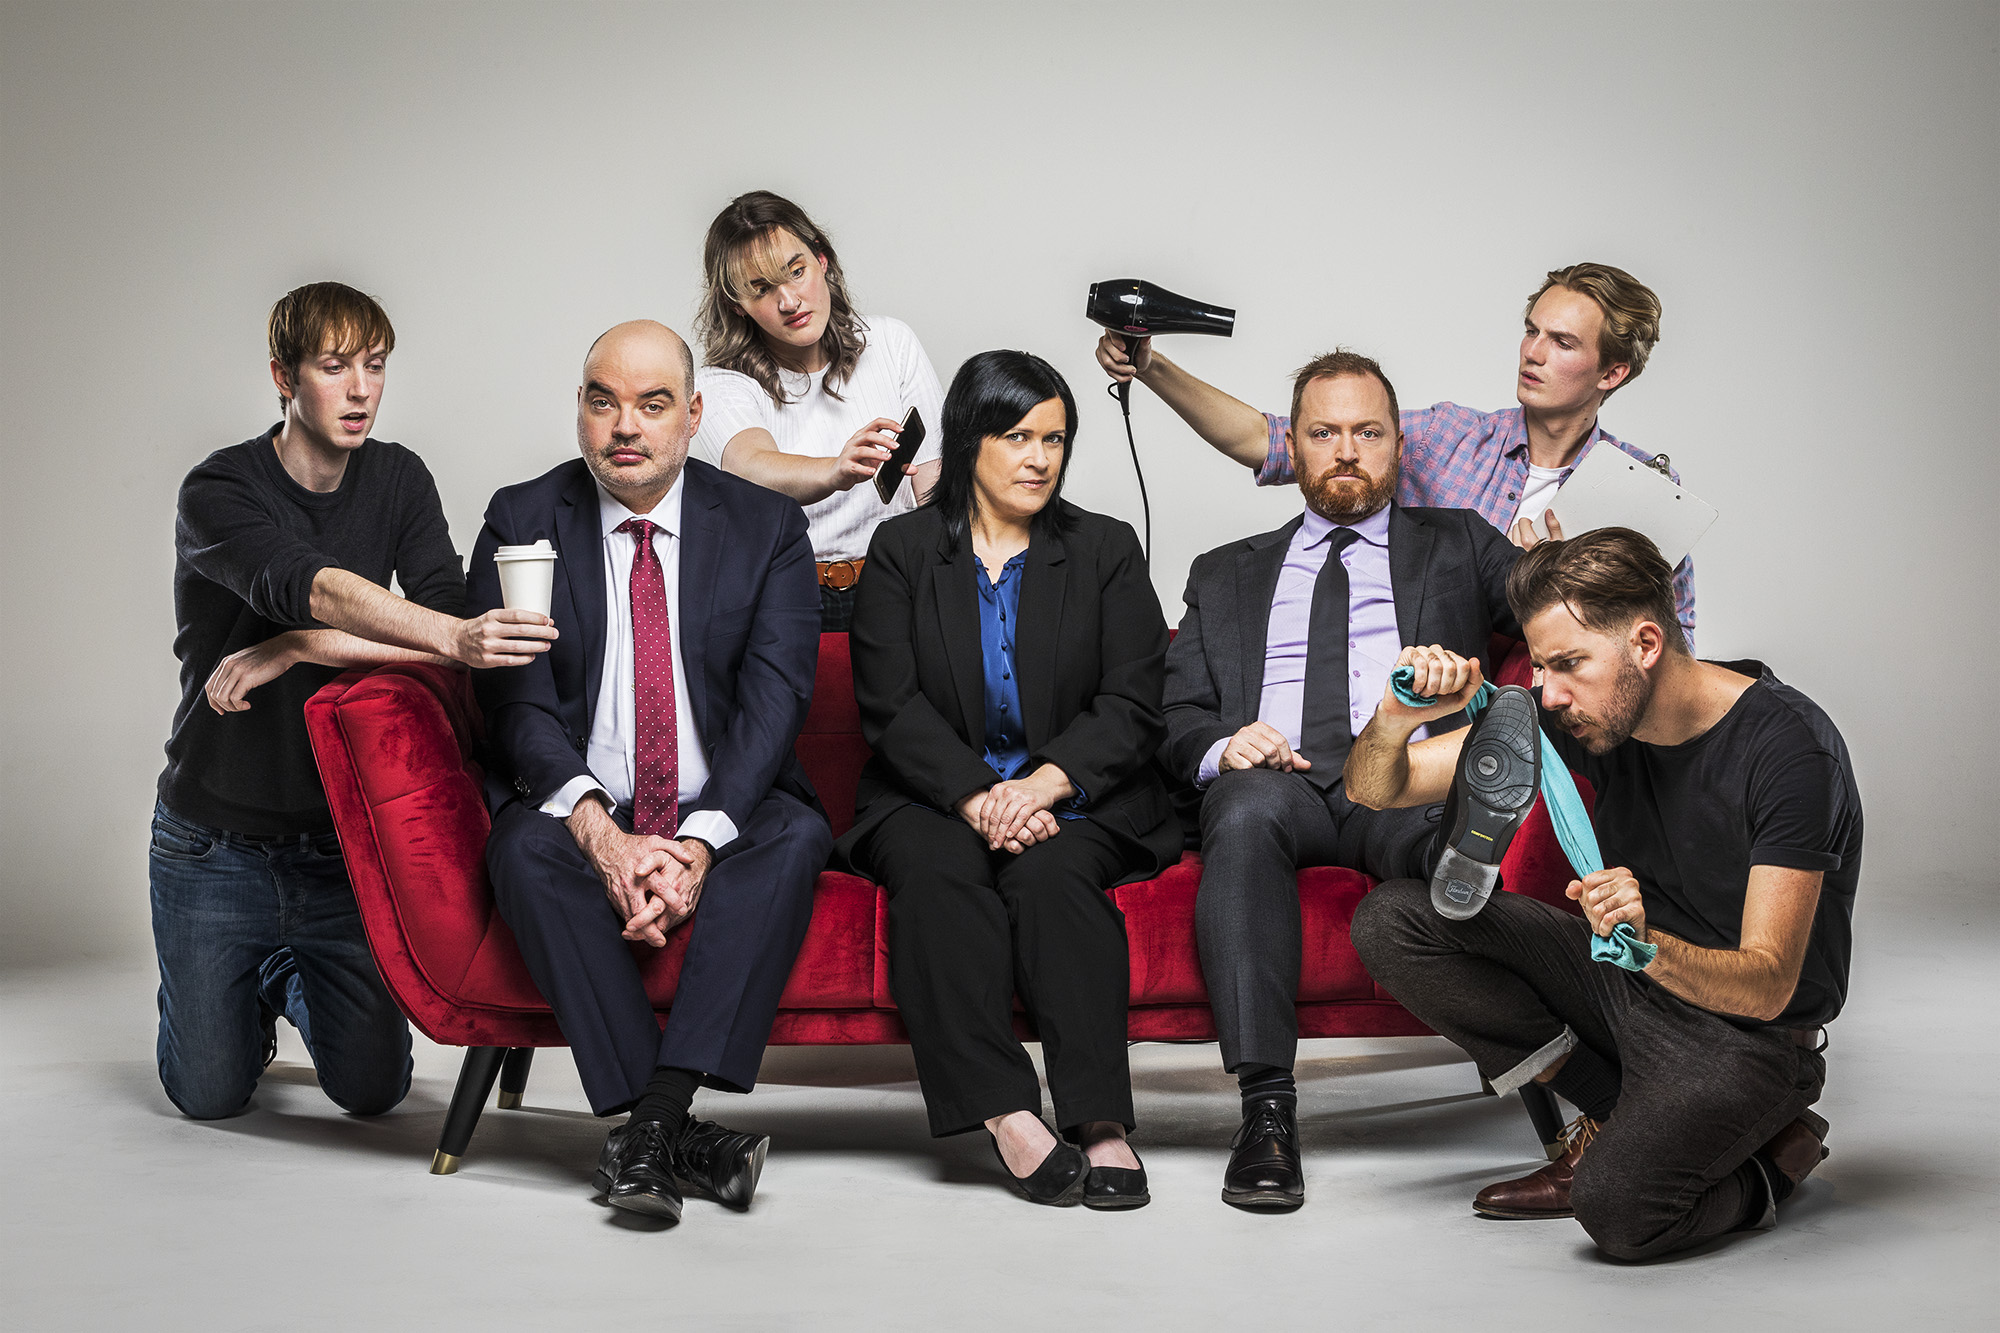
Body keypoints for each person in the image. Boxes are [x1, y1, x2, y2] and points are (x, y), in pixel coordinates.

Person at [1345, 527, 1858, 1260]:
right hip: (1625, 981)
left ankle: (1773, 1165)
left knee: (1617, 1211)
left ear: (1646, 643)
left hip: (1743, 1036)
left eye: (1567, 664)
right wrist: (1398, 716)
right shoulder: (1586, 714)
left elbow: (1770, 984)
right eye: (1543, 665)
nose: (1547, 690)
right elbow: (1376, 788)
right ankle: (1615, 1108)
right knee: (1395, 920)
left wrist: (1646, 943)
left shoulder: (1789, 750)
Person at [155, 281, 558, 1121]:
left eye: (375, 366)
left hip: (339, 842)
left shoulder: (399, 477)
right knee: (207, 1094)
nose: (362, 389)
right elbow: (308, 587)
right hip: (212, 844)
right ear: (283, 375)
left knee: (376, 1088)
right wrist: (428, 635)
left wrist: (298, 647)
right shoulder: (217, 489)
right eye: (335, 367)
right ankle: (241, 993)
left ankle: (285, 974)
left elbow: (441, 617)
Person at [466, 320, 830, 1227]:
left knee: (795, 835)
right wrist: (601, 832)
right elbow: (516, 705)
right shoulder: (522, 517)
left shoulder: (765, 525)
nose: (624, 425)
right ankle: (675, 1132)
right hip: (580, 799)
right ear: (581, 411)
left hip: (722, 801)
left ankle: (651, 1122)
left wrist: (696, 846)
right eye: (603, 400)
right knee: (521, 851)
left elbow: (777, 699)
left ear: (693, 415)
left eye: (652, 404)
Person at [1161, 349, 1524, 1211]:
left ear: (1400, 444)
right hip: (1275, 780)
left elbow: (1556, 618)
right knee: (1241, 813)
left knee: (1436, 836)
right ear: (1294, 444)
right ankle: (1267, 1112)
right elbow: (1176, 717)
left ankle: (1543, 1058)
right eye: (1324, 433)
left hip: (1397, 774)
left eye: (1368, 432)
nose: (1347, 451)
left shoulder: (1460, 541)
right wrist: (1226, 745)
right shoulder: (1225, 569)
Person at [836, 351, 1179, 1209]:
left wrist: (1042, 785)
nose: (1039, 457)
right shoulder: (904, 549)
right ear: (969, 438)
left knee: (1054, 871)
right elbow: (891, 703)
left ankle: (1099, 1120)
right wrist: (982, 793)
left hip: (1074, 794)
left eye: (1055, 438)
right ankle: (1005, 1111)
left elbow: (1133, 699)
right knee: (938, 870)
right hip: (928, 793)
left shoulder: (1103, 548)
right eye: (1017, 434)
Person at [1097, 262, 1697, 640]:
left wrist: (1563, 588)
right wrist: (1151, 367)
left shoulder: (1642, 495)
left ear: (1613, 372)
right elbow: (1267, 440)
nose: (1532, 352)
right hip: (1428, 700)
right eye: (1531, 329)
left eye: (1561, 341)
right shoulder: (1445, 437)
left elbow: (1672, 648)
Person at [691, 191, 945, 631]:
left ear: (822, 261)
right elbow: (753, 466)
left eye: (796, 271)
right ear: (738, 306)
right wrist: (836, 470)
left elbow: (933, 478)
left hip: (901, 585)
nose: (789, 300)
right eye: (761, 288)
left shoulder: (890, 343)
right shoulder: (721, 384)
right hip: (787, 599)